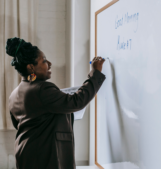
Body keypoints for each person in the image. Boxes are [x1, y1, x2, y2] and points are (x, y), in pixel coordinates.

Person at [6, 37, 106, 169]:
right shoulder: (42, 89)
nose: (49, 63)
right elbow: (76, 102)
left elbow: (20, 124)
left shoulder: (14, 94)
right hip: (44, 157)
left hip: (25, 153)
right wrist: (95, 73)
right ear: (31, 67)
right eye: (44, 60)